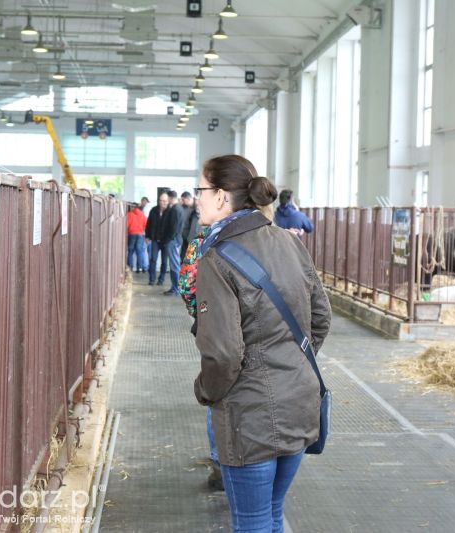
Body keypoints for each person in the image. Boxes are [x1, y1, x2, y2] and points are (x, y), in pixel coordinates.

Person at [192, 154, 332, 533]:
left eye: (201, 190)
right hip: (299, 403)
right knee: (271, 514)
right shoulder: (289, 242)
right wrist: (288, 361)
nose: (197, 199)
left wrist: (205, 391)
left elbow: (222, 355)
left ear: (222, 197)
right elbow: (320, 318)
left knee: (252, 522)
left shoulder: (216, 258)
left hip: (250, 415)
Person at [160, 190, 184, 295]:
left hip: (173, 240)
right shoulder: (180, 208)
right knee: (175, 264)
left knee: (174, 265)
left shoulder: (175, 209)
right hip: (176, 239)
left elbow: (173, 227)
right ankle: (175, 288)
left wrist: (168, 239)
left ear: (170, 198)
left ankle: (176, 289)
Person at [145, 193, 168, 286]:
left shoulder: (170, 211)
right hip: (154, 239)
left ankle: (161, 280)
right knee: (153, 259)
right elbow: (148, 224)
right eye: (161, 200)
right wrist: (147, 236)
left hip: (165, 241)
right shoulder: (153, 210)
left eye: (164, 201)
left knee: (164, 261)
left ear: (168, 201)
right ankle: (152, 279)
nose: (162, 202)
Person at [126, 203, 148, 273]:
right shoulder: (142, 215)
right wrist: (142, 230)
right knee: (139, 252)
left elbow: (127, 224)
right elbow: (146, 224)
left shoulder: (129, 214)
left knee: (130, 252)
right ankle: (139, 268)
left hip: (131, 234)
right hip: (140, 235)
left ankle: (130, 268)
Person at [181, 193, 201, 260]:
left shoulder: (200, 213)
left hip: (194, 242)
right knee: (185, 260)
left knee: (190, 262)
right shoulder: (192, 212)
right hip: (188, 239)